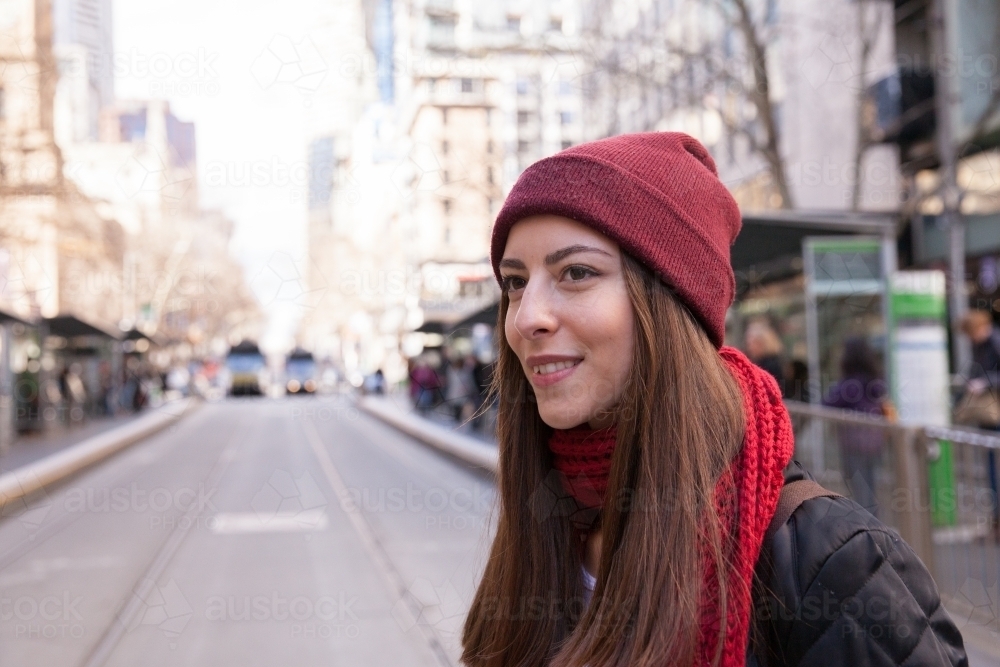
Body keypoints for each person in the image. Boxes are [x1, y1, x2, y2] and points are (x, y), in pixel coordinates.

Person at [461, 133, 966, 667]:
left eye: (577, 273)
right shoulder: (545, 527)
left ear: (673, 305)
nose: (526, 316)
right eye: (515, 282)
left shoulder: (837, 566)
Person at [821, 337, 892, 517]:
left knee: (860, 487)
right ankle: (874, 521)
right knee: (870, 483)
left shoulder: (849, 384)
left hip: (854, 442)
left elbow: (827, 404)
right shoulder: (875, 379)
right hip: (875, 441)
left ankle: (868, 526)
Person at [957, 309, 1000, 536]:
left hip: (994, 410)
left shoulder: (994, 342)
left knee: (994, 467)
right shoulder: (980, 345)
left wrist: (984, 383)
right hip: (988, 414)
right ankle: (995, 519)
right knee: (991, 467)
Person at [744, 319, 787, 395]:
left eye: (751, 343)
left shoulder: (770, 365)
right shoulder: (763, 361)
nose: (749, 347)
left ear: (762, 343)